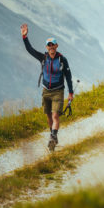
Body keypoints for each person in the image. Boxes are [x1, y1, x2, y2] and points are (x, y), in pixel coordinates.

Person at [20, 23, 74, 151]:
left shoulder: (62, 60)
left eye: (53, 45)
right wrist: (24, 37)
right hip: (46, 91)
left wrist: (70, 92)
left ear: (56, 46)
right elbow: (30, 50)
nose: (51, 47)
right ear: (47, 47)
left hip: (58, 92)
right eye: (49, 45)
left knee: (55, 116)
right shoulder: (43, 58)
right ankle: (53, 137)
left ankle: (53, 136)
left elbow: (68, 76)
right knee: (49, 116)